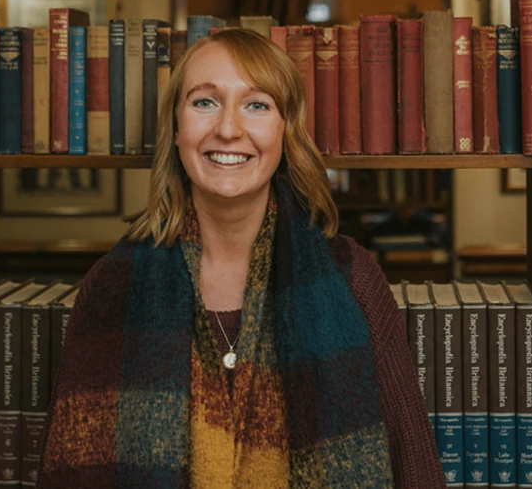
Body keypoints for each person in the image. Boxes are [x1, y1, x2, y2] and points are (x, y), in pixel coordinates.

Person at [37, 28, 445, 488]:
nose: (228, 129)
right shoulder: (111, 285)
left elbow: (417, 472)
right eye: (204, 102)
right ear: (175, 130)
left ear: (286, 131)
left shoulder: (352, 278)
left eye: (257, 105)